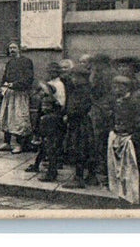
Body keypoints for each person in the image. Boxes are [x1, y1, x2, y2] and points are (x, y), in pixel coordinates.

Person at [106, 75, 140, 204]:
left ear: (127, 87)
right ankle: (120, 196)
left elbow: (138, 120)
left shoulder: (133, 102)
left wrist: (131, 133)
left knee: (128, 169)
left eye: (119, 86)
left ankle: (131, 197)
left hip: (128, 139)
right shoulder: (115, 101)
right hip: (117, 136)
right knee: (116, 169)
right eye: (114, 86)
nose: (116, 89)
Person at [61, 54, 94, 188]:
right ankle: (90, 176)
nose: (73, 79)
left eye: (75, 77)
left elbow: (80, 107)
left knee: (79, 149)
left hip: (80, 124)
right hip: (79, 123)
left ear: (81, 78)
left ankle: (79, 178)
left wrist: (69, 114)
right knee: (84, 150)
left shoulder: (83, 91)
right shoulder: (80, 89)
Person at [0, 41, 34, 154]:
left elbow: (28, 78)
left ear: (19, 49)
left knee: (19, 119)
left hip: (20, 94)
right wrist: (2, 87)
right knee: (6, 117)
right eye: (10, 48)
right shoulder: (10, 62)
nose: (12, 50)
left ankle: (19, 144)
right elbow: (5, 76)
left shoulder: (26, 62)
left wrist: (15, 84)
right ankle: (7, 142)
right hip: (9, 93)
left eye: (14, 48)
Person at [86, 52, 115, 185]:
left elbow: (94, 90)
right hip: (106, 110)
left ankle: (101, 170)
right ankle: (104, 169)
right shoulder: (109, 74)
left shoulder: (100, 74)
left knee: (98, 141)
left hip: (100, 111)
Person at [25, 88, 65, 182]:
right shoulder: (47, 113)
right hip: (47, 131)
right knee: (44, 149)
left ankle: (52, 172)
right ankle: (37, 165)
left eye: (46, 105)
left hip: (51, 131)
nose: (44, 107)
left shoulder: (50, 115)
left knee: (51, 151)